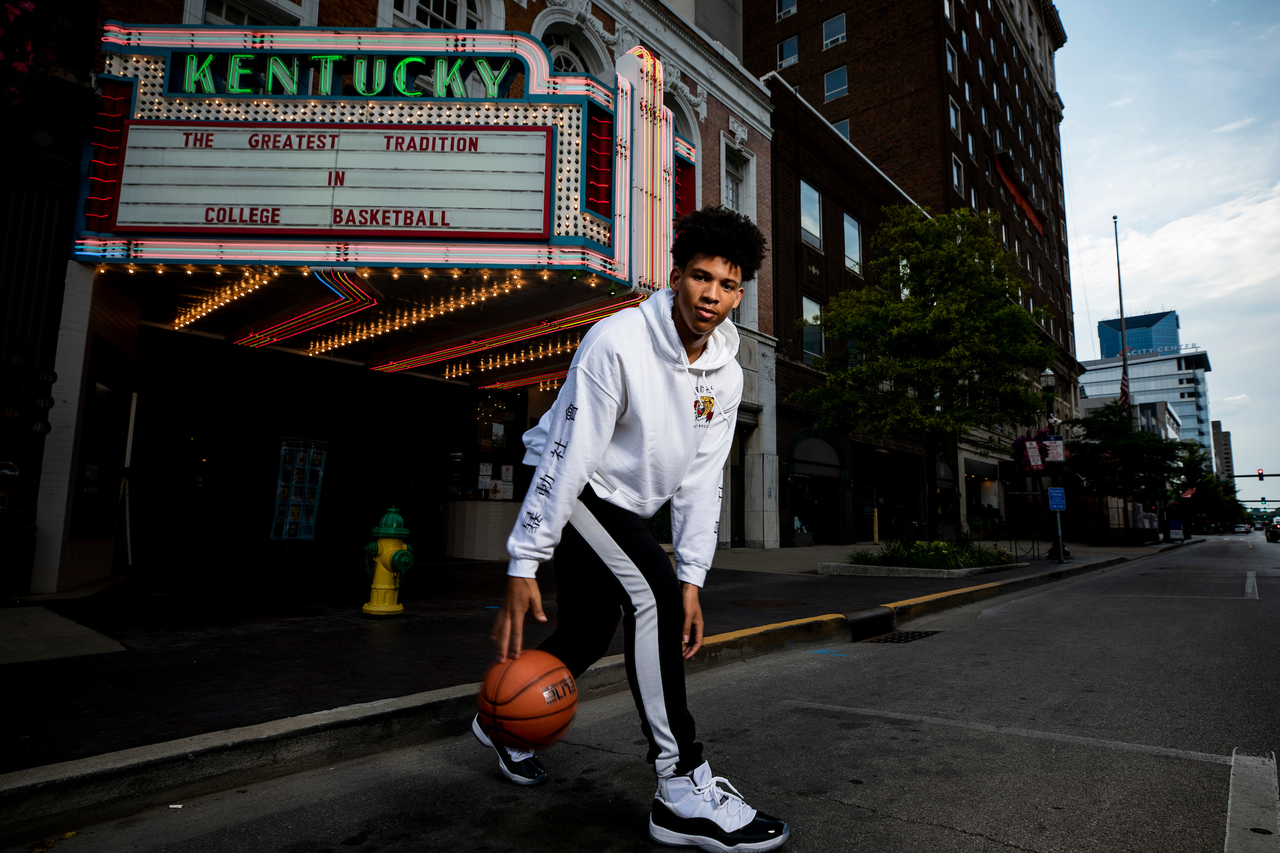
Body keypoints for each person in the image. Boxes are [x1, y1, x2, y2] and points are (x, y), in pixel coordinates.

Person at [472, 206, 790, 852]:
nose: (712, 295)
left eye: (728, 285)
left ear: (739, 292)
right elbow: (569, 450)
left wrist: (696, 575)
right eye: (700, 277)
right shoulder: (616, 340)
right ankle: (680, 787)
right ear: (675, 276)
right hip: (579, 485)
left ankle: (504, 721)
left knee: (590, 628)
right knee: (653, 595)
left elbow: (704, 479)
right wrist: (524, 559)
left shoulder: (725, 375)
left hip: (628, 503)